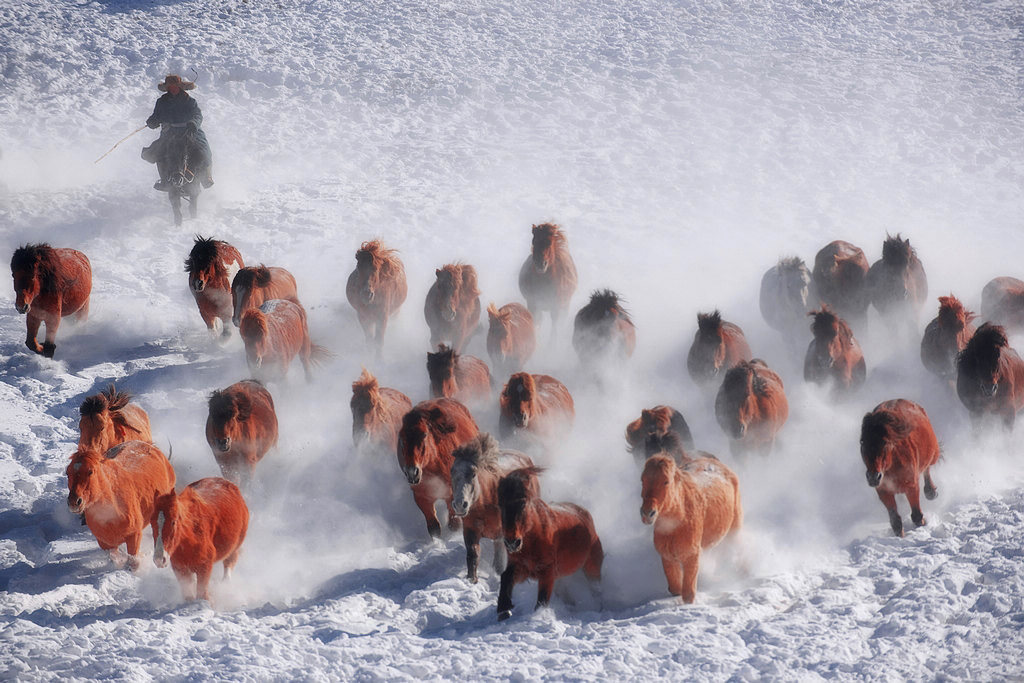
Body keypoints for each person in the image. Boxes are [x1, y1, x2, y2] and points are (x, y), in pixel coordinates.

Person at [141, 74, 214, 190]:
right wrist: (152, 121)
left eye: (175, 87)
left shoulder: (190, 101)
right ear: (167, 89)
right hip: (170, 133)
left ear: (180, 87)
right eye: (170, 87)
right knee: (158, 152)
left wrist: (193, 123)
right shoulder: (161, 102)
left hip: (190, 131)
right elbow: (156, 116)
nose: (173, 89)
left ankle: (206, 177)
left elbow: (197, 115)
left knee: (204, 150)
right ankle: (164, 180)